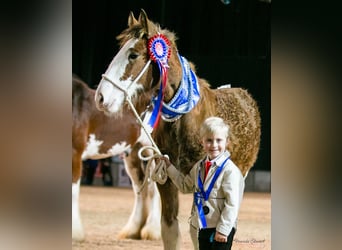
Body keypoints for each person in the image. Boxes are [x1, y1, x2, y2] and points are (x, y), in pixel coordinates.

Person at [160, 116, 245, 250]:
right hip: (203, 225)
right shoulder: (199, 167)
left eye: (219, 140)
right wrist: (169, 167)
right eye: (209, 140)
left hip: (221, 228)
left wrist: (223, 229)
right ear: (202, 142)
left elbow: (232, 204)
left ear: (227, 141)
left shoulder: (230, 171)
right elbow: (185, 186)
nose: (214, 145)